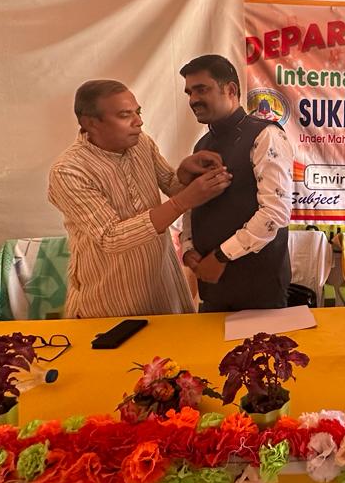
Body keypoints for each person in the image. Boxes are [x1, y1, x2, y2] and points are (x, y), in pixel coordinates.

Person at [48, 79, 231, 318]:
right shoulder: (69, 171)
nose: (138, 122)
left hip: (163, 290)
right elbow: (111, 237)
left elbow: (172, 184)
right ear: (90, 123)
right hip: (109, 302)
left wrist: (186, 172)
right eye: (125, 115)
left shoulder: (141, 143)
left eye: (138, 112)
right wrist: (183, 201)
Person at [179, 55, 294, 312]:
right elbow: (192, 202)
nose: (193, 99)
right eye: (189, 92)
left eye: (201, 89)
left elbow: (275, 213)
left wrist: (221, 256)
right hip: (212, 287)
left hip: (258, 290)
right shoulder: (202, 145)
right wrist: (188, 247)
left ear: (230, 90)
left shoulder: (266, 135)